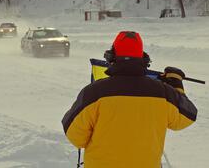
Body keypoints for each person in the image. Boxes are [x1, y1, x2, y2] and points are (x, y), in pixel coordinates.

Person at [61, 31, 197, 168]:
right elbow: (188, 116)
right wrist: (175, 86)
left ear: (111, 57)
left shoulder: (94, 93)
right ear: (144, 60)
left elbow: (75, 136)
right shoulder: (163, 93)